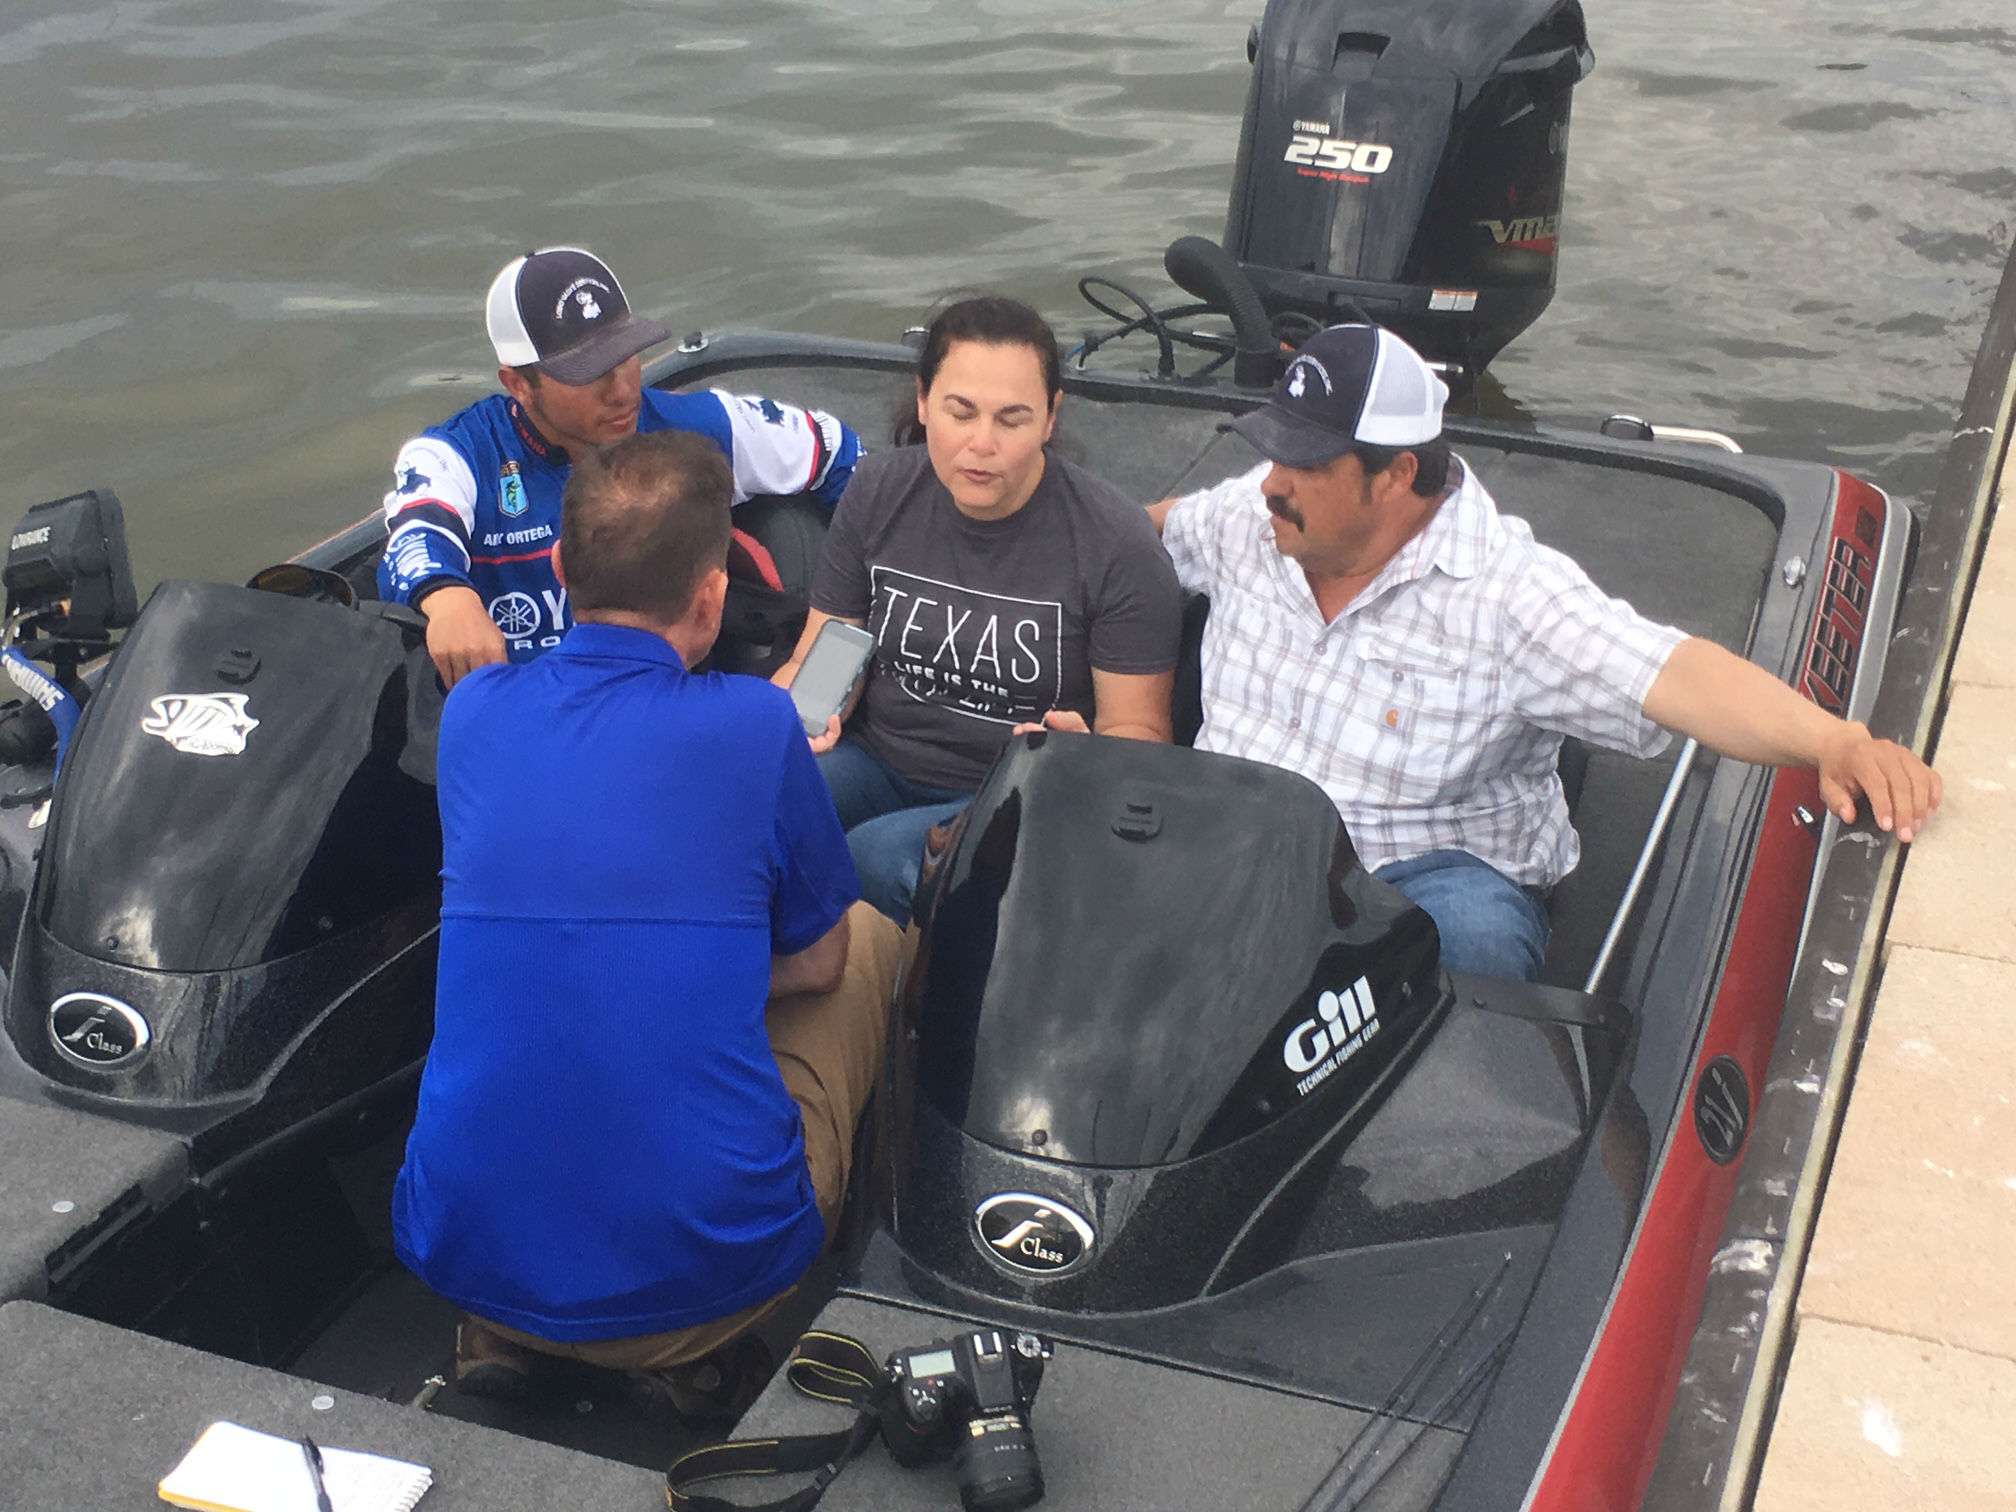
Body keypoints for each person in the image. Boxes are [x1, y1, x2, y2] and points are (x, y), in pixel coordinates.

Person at [1138, 323, 1940, 981]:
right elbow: (1136, 542)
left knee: (1479, 944)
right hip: (1231, 838)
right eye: (1273, 451)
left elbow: (1671, 673)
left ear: (1395, 475)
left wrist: (1835, 742)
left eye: (1305, 463)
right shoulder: (1254, 516)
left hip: (1411, 875)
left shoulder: (1509, 596)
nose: (1271, 482)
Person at [393, 430, 903, 1421]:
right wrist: (695, 971)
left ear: (557, 566)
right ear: (711, 598)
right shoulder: (757, 724)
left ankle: (505, 1337)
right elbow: (818, 960)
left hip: (462, 1259)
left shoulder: (475, 712)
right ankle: (719, 1341)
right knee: (872, 938)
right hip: (700, 1289)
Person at [771, 295, 1183, 926]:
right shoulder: (877, 492)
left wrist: (1087, 758)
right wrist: (800, 717)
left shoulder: (1115, 543)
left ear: (1050, 418)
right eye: (960, 412)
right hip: (878, 759)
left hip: (1013, 795)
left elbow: (1142, 735)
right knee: (758, 805)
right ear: (922, 401)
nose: (981, 443)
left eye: (1011, 420)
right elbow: (825, 651)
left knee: (872, 858)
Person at [378, 246, 864, 687]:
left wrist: (827, 646)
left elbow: (841, 452)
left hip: (666, 707)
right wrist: (447, 598)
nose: (624, 391)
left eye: (626, 357)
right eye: (588, 372)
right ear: (519, 384)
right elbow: (415, 534)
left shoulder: (700, 425)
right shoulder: (457, 454)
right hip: (527, 715)